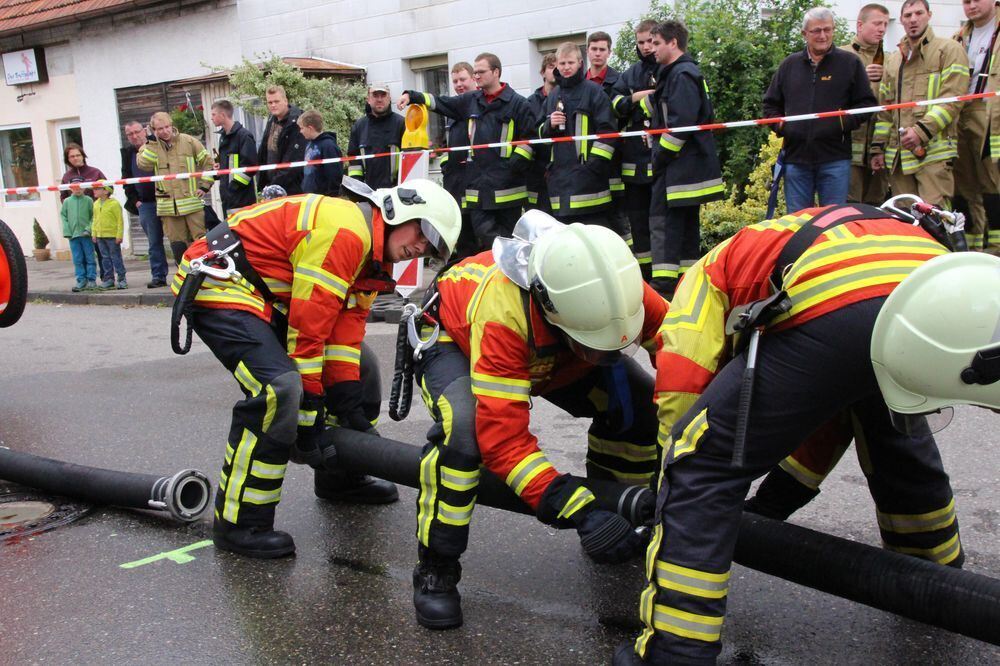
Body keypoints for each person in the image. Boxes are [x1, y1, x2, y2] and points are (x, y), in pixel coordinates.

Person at [614, 203, 964, 665]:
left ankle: (675, 653)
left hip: (841, 294)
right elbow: (827, 408)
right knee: (890, 429)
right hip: (938, 289)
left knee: (699, 467)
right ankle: (942, 587)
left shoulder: (704, 279)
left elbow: (682, 397)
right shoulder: (795, 239)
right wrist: (773, 505)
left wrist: (669, 489)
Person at [171, 179, 461, 558]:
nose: (421, 247)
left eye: (431, 248)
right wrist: (310, 418)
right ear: (398, 212)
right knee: (279, 389)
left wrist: (348, 406)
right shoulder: (346, 233)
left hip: (266, 296)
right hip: (220, 284)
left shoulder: (373, 257)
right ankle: (240, 522)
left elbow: (342, 334)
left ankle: (340, 477)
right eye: (424, 233)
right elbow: (308, 330)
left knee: (365, 370)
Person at [410, 214, 666, 631]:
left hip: (558, 349)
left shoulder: (616, 287)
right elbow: (504, 443)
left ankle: (623, 518)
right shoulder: (504, 312)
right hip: (453, 338)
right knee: (463, 434)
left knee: (638, 410)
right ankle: (436, 569)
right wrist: (580, 511)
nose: (603, 355)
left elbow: (679, 353)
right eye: (594, 344)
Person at [398, 53, 537, 249]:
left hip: (508, 191)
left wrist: (511, 167)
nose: (477, 76)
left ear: (496, 72)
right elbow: (441, 103)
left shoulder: (518, 104)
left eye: (481, 72)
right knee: (485, 238)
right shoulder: (471, 100)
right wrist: (412, 96)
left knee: (508, 242)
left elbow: (529, 141)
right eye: (476, 72)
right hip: (477, 188)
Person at [764, 7, 877, 214]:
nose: (823, 35)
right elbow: (770, 104)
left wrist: (842, 123)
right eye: (816, 31)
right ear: (804, 34)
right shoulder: (789, 65)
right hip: (796, 160)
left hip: (835, 160)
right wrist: (781, 126)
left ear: (833, 30)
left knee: (833, 222)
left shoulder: (850, 63)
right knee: (798, 224)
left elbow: (867, 104)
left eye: (827, 29)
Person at [647, 20, 725, 298]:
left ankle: (665, 287)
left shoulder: (681, 76)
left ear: (673, 43)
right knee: (684, 229)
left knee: (664, 224)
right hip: (682, 169)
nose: (651, 49)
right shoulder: (678, 74)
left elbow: (680, 126)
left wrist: (658, 158)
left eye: (656, 43)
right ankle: (687, 286)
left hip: (676, 168)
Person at [871, 0, 969, 207]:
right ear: (902, 20)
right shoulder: (894, 59)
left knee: (936, 218)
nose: (913, 19)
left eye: (918, 13)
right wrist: (878, 148)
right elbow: (885, 110)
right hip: (899, 157)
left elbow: (952, 100)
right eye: (907, 16)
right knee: (907, 223)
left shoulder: (949, 50)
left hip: (933, 151)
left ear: (929, 15)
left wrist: (920, 131)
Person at [540, 42, 618, 226]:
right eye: (562, 63)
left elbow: (608, 133)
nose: (566, 68)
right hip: (559, 183)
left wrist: (592, 166)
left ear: (580, 63)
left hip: (590, 186)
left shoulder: (594, 91)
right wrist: (549, 124)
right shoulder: (553, 95)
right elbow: (540, 133)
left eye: (570, 63)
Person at [612, 19, 660, 281]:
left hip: (662, 161)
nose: (645, 47)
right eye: (640, 42)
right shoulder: (630, 74)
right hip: (633, 163)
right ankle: (644, 277)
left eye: (650, 42)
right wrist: (638, 96)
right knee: (639, 224)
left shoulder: (670, 68)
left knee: (661, 222)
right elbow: (616, 104)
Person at [137, 111, 214, 266]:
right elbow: (144, 165)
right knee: (177, 244)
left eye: (167, 127)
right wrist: (151, 143)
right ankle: (184, 275)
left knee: (201, 240)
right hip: (168, 208)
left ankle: (209, 272)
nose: (164, 131)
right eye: (159, 129)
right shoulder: (150, 146)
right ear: (153, 130)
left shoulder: (189, 141)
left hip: (192, 203)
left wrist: (204, 186)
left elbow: (208, 163)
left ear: (172, 125)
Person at [953, 0, 1000, 252]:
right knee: (963, 183)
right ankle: (970, 245)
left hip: (991, 111)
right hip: (961, 111)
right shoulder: (959, 36)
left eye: (975, 0)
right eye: (966, 1)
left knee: (992, 181)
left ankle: (996, 246)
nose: (970, 6)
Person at [842, 4, 891, 205]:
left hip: (879, 148)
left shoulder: (892, 60)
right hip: (848, 148)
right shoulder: (841, 56)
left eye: (886, 24)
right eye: (877, 23)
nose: (882, 29)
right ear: (860, 25)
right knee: (848, 208)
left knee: (877, 207)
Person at [587, 31, 632, 244]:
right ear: (587, 51)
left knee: (617, 216)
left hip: (614, 159)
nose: (597, 54)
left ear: (609, 52)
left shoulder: (619, 81)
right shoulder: (578, 84)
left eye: (602, 49)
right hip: (586, 161)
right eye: (594, 49)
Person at [121, 121, 168, 288]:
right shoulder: (127, 153)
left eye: (137, 132)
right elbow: (126, 179)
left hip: (166, 199)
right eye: (130, 134)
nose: (134, 136)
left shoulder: (155, 144)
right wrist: (136, 201)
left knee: (178, 239)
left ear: (144, 131)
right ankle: (159, 276)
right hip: (146, 204)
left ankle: (185, 275)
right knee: (154, 243)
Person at [441, 62, 478, 258]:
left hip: (475, 179)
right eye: (455, 81)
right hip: (455, 181)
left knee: (477, 234)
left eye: (463, 79)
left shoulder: (480, 105)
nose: (459, 84)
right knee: (461, 234)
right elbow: (447, 144)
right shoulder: (453, 111)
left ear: (473, 78)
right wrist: (445, 164)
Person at [60, 143, 111, 285]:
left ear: (83, 155)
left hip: (98, 218)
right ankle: (85, 279)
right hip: (80, 224)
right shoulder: (66, 177)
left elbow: (108, 189)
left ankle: (107, 278)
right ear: (68, 159)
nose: (75, 158)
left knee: (102, 251)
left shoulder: (95, 172)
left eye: (78, 155)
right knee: (83, 255)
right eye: (72, 156)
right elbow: (63, 197)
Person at [347, 83, 405, 190]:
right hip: (368, 193)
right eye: (375, 95)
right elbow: (354, 163)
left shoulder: (401, 124)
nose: (379, 99)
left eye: (383, 95)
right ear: (368, 99)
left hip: (396, 192)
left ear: (389, 99)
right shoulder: (359, 127)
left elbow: (409, 159)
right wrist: (358, 189)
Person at [211, 99, 258, 217]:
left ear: (223, 115)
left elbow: (250, 166)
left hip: (242, 198)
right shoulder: (224, 137)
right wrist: (219, 167)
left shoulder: (243, 136)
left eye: (213, 114)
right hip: (228, 198)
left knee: (244, 231)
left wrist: (233, 188)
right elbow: (232, 163)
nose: (211, 118)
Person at [256, 85, 306, 195]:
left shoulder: (297, 122)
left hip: (291, 188)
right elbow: (264, 152)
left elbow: (293, 162)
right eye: (270, 102)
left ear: (285, 100)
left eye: (276, 101)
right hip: (271, 186)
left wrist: (274, 185)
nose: (273, 105)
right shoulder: (272, 119)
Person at [526, 54, 556, 214]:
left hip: (560, 171)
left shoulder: (566, 98)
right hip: (536, 173)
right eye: (551, 67)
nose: (555, 70)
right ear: (543, 72)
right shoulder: (530, 103)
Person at [299, 109, 344, 196]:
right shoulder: (309, 144)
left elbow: (334, 175)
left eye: (302, 128)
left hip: (322, 199)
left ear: (310, 128)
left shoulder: (328, 146)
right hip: (308, 196)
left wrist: (331, 197)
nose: (300, 131)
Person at [61, 184, 96, 292]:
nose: (78, 190)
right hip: (73, 235)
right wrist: (67, 231)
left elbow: (93, 216)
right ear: (71, 188)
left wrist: (88, 229)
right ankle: (81, 280)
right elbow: (64, 216)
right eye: (75, 187)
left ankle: (91, 279)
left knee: (90, 258)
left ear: (84, 188)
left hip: (86, 235)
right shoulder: (67, 201)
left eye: (80, 187)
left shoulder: (89, 200)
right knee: (78, 259)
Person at [92, 183, 127, 290]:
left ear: (106, 191)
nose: (95, 190)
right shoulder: (96, 204)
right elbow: (94, 220)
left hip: (112, 236)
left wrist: (119, 235)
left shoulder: (114, 204)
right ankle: (109, 279)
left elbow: (120, 221)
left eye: (98, 188)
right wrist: (94, 233)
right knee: (104, 258)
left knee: (116, 257)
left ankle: (122, 279)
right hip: (100, 236)